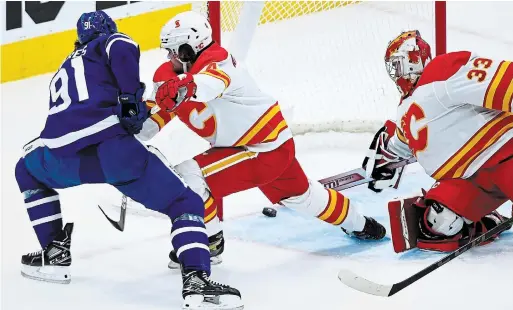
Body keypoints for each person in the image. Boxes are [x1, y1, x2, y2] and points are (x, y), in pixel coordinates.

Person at [15, 10, 242, 310]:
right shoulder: (108, 42)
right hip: (114, 154)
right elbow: (121, 47)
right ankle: (196, 279)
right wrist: (130, 100)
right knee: (184, 203)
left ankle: (54, 252)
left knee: (25, 171)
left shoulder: (65, 66)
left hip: (61, 157)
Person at [135, 11, 387, 269]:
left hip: (261, 150)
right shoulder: (168, 77)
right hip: (272, 146)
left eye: (173, 51)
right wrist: (129, 128)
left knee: (190, 175)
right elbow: (153, 118)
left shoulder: (218, 62)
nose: (168, 57)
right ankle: (361, 224)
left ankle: (209, 243)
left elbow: (208, 84)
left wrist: (184, 87)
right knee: (304, 197)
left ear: (188, 50)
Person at [363, 30, 512, 253]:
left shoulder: (443, 70)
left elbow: (506, 82)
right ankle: (485, 221)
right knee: (437, 221)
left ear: (413, 60)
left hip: (504, 158)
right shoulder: (404, 110)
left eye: (397, 65)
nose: (395, 74)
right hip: (469, 181)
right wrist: (386, 159)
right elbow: (402, 145)